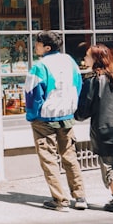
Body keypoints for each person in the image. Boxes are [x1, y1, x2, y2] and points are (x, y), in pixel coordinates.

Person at [24, 30, 87, 211]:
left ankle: (60, 200)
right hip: (66, 116)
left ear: (47, 47)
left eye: (38, 44)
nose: (35, 46)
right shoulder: (70, 62)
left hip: (44, 117)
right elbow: (78, 86)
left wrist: (32, 115)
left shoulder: (39, 66)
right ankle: (80, 196)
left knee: (48, 158)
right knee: (70, 156)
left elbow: (32, 94)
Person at [74, 45, 113, 214]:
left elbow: (84, 108)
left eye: (87, 56)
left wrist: (75, 115)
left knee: (109, 165)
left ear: (96, 60)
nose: (85, 59)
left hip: (104, 127)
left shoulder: (93, 81)